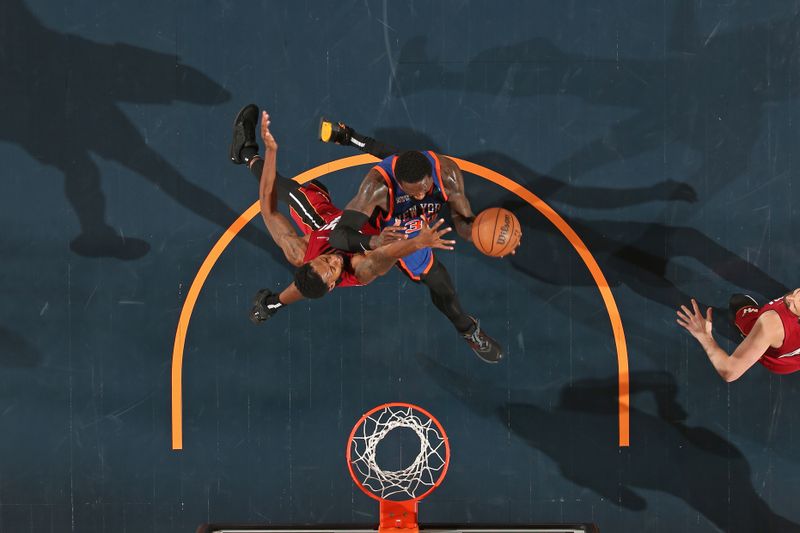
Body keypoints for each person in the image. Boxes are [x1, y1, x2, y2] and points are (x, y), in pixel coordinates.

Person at [229, 104, 455, 323]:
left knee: (283, 188)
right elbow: (388, 255)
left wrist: (271, 152)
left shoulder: (301, 253)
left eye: (325, 259)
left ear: (313, 259)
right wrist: (418, 243)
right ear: (331, 285)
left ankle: (245, 154)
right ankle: (354, 140)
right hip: (374, 222)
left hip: (323, 221)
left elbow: (268, 209)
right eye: (333, 268)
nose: (335, 259)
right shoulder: (361, 269)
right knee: (399, 171)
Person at [317, 119, 519, 363]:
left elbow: (461, 221)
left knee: (397, 155)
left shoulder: (447, 175)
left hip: (418, 216)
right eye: (415, 193)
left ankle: (349, 137)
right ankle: (467, 328)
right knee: (441, 283)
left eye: (426, 188)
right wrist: (375, 242)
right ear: (400, 184)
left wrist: (480, 234)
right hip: (394, 233)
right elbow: (338, 236)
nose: (422, 195)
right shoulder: (377, 188)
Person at [676, 291, 800, 381]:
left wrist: (704, 335)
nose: (790, 298)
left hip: (776, 359)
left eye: (793, 305)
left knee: (738, 302)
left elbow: (729, 371)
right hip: (794, 360)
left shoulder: (772, 323)